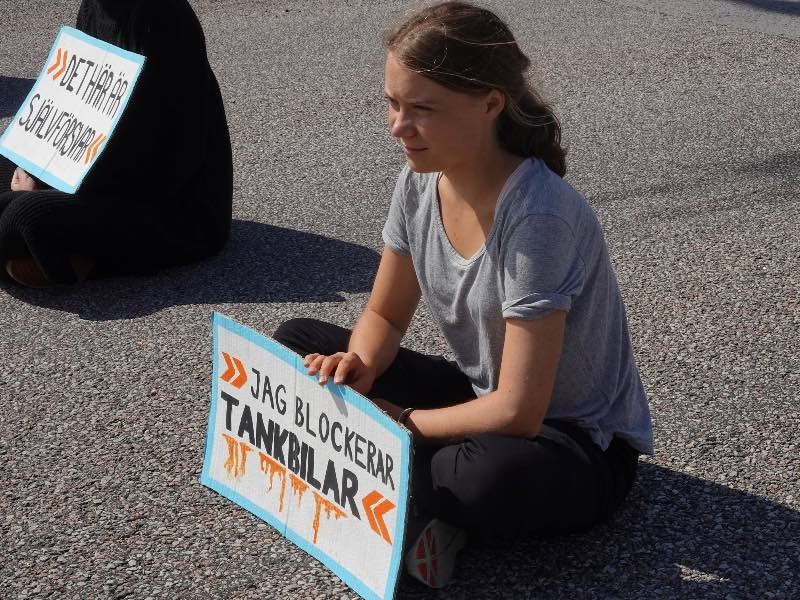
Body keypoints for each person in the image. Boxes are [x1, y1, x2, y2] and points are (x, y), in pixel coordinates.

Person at [274, 1, 653, 589]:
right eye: (393, 104)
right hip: (488, 402)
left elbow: (521, 411)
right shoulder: (420, 178)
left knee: (480, 479)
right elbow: (382, 312)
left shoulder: (539, 217)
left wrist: (400, 422)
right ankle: (415, 494)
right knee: (299, 345)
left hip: (571, 444)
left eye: (422, 109)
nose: (398, 127)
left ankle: (412, 490)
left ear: (490, 103)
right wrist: (360, 366)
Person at [0, 0, 232, 287]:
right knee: (10, 166)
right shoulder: (96, 6)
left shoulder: (162, 18)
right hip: (101, 170)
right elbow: (73, 110)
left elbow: (169, 162)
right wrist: (33, 165)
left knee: (25, 215)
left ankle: (76, 259)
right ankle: (44, 251)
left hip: (168, 204)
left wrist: (63, 185)